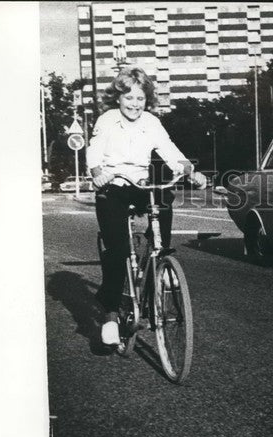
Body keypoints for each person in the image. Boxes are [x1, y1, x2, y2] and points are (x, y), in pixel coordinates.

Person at [87, 67, 207, 348]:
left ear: (147, 100)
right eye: (129, 97)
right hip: (112, 186)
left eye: (140, 98)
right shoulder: (107, 120)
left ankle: (161, 257)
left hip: (140, 184)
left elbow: (169, 150)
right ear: (118, 98)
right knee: (117, 251)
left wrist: (190, 171)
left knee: (164, 197)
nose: (134, 104)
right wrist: (97, 172)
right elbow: (94, 149)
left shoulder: (151, 122)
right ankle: (111, 315)